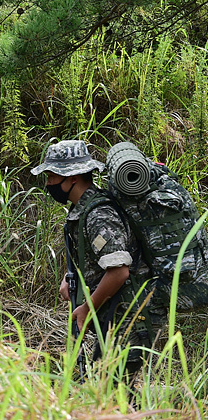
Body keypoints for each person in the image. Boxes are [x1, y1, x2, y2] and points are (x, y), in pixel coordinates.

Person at [31, 140, 160, 376]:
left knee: (112, 394)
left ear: (72, 178)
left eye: (52, 176)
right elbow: (96, 256)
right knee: (110, 391)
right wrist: (69, 277)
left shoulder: (99, 214)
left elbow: (119, 271)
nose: (48, 184)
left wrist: (87, 310)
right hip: (117, 313)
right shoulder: (83, 209)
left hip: (130, 316)